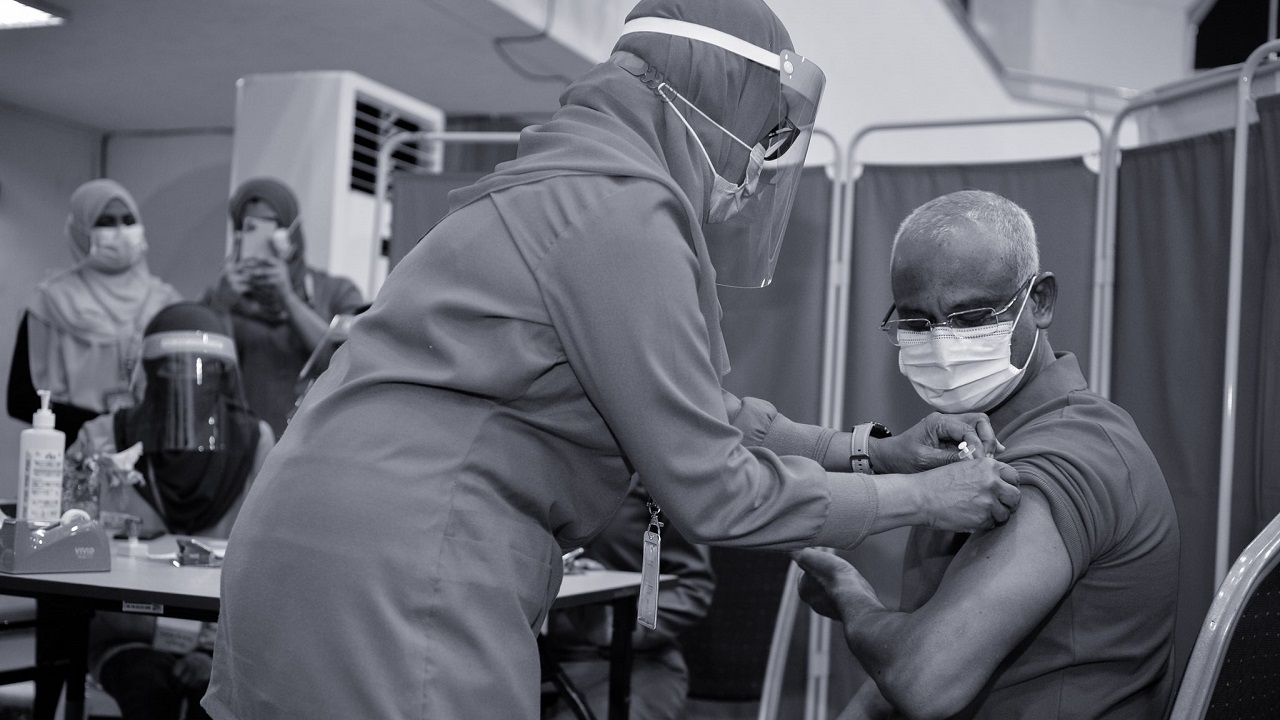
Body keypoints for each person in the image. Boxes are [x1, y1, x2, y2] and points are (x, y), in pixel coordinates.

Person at [203, 3, 1022, 718]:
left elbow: (688, 406)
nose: (755, 169)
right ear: (710, 100)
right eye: (762, 132)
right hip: (398, 579)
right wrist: (921, 495)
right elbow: (714, 489)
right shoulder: (622, 210)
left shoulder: (562, 182)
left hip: (301, 555)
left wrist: (868, 450)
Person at [794, 190, 1180, 720]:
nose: (944, 344)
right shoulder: (970, 448)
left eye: (970, 316)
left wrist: (848, 594)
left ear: (1039, 301)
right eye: (916, 322)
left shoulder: (1066, 456)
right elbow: (927, 638)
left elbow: (923, 679)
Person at [66, 302, 273, 720]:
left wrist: (210, 649)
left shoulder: (255, 442)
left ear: (221, 376)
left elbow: (262, 557)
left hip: (219, 643)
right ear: (151, 373)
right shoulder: (105, 436)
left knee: (213, 704)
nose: (186, 383)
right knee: (149, 693)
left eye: (200, 369)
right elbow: (68, 528)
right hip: (126, 632)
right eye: (172, 368)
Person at [6, 179, 182, 440]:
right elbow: (21, 399)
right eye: (106, 222)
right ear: (81, 229)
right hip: (74, 455)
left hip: (148, 458)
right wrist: (103, 428)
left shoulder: (167, 302)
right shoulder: (50, 302)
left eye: (128, 220)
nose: (120, 231)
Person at [202, 177, 364, 438]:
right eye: (251, 226)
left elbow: (350, 360)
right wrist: (220, 307)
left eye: (273, 225)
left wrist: (288, 298)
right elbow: (203, 375)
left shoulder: (335, 292)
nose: (262, 237)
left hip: (316, 441)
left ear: (293, 229)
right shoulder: (222, 297)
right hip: (242, 447)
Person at [542, 482, 714, 720]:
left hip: (629, 663)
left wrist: (628, 628)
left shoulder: (656, 485)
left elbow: (693, 586)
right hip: (533, 660)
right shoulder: (537, 475)